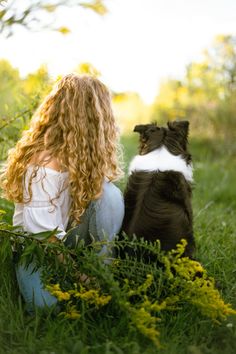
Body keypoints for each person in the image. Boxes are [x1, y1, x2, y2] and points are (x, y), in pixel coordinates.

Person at [0, 73, 124, 312]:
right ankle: (85, 281)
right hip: (36, 248)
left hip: (68, 240)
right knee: (47, 308)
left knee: (109, 195)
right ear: (93, 118)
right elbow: (45, 239)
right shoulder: (43, 166)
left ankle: (102, 269)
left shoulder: (83, 155)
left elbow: (99, 207)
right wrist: (81, 278)